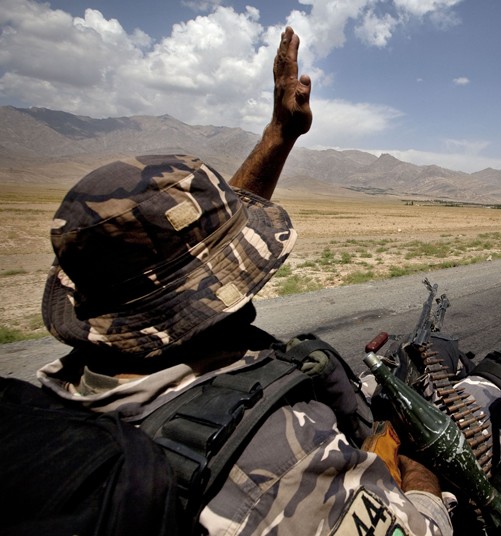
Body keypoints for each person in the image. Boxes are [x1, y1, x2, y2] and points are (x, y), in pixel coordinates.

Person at [36, 26, 453, 536]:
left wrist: (280, 134)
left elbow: (179, 249)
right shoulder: (277, 467)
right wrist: (424, 481)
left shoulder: (63, 396)